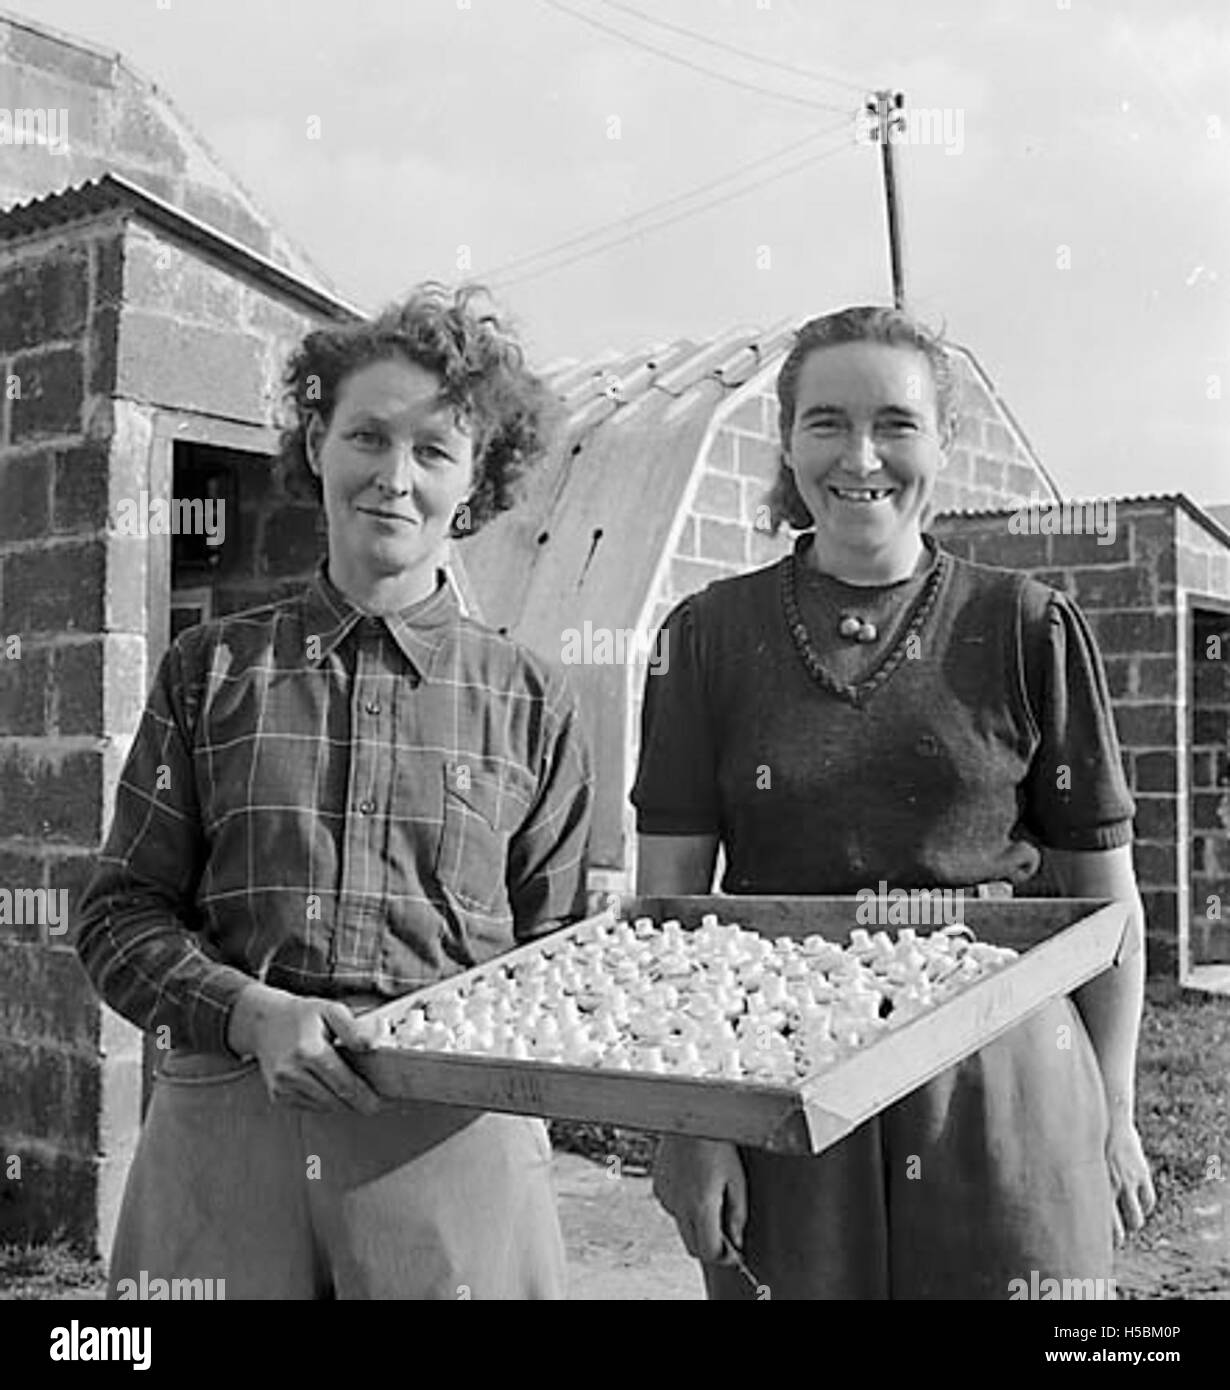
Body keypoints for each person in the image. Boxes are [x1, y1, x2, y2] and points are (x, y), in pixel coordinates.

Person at [77, 284, 593, 1300]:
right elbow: (116, 915)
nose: (394, 478)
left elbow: (560, 959)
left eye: (436, 451)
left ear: (477, 479)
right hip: (226, 1141)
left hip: (450, 1161)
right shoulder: (210, 670)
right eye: (367, 435)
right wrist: (250, 1012)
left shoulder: (534, 701)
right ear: (317, 441)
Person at [632, 305, 1156, 1300]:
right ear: (786, 441)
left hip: (1000, 1078)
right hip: (778, 1075)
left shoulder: (1027, 628)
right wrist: (690, 1129)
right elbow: (668, 912)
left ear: (944, 445)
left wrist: (1114, 1111)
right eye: (826, 421)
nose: (860, 454)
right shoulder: (705, 637)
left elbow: (1109, 907)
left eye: (897, 423)